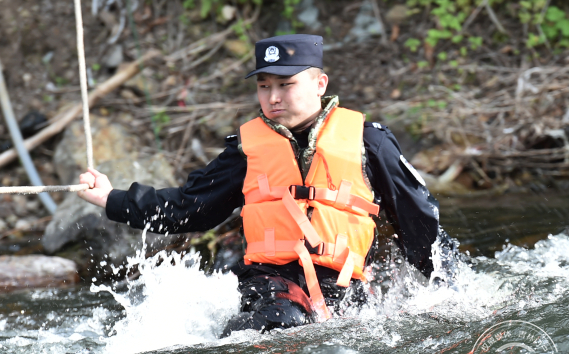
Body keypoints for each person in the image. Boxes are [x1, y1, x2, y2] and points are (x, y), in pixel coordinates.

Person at [78, 34, 455, 337]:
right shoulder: (246, 151)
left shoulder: (370, 143)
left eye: (285, 85)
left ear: (319, 83)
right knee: (273, 329)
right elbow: (188, 209)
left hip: (347, 287)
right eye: (263, 86)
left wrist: (450, 289)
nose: (273, 98)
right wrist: (112, 199)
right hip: (271, 283)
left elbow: (419, 221)